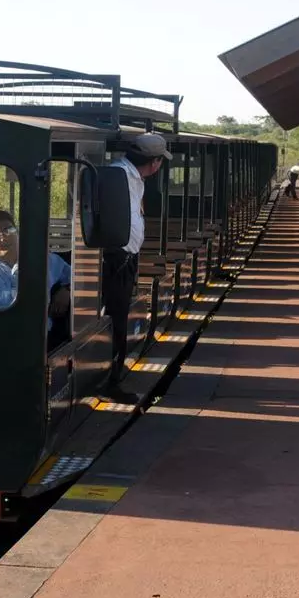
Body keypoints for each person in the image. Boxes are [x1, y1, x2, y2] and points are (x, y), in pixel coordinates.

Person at [102, 132, 168, 403]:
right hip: (115, 259)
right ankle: (110, 381)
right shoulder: (118, 176)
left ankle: (112, 376)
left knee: (119, 318)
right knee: (116, 319)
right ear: (154, 162)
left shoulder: (134, 178)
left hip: (126, 259)